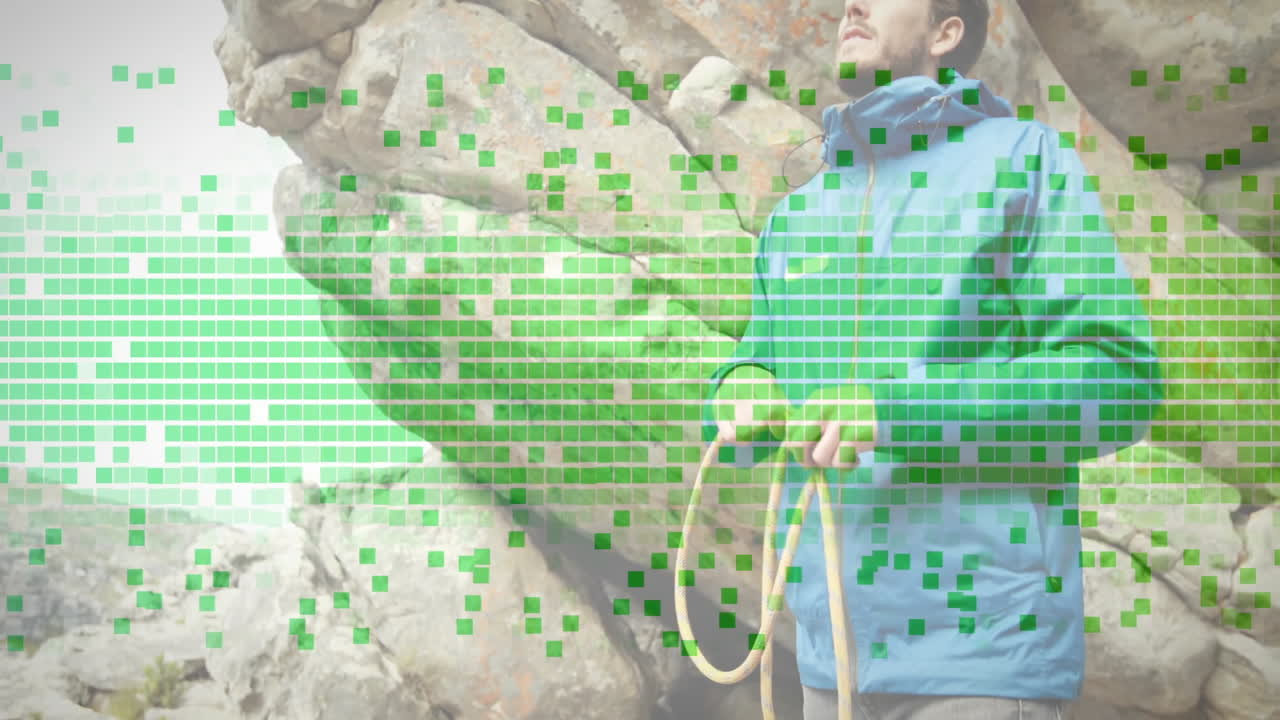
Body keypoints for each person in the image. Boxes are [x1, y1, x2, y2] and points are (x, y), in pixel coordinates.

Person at [700, 1, 1164, 719]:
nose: (852, 5)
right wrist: (741, 391)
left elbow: (1115, 382)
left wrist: (895, 413)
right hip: (828, 664)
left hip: (981, 657)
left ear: (947, 33)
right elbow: (758, 366)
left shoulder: (1024, 160)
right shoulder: (798, 216)